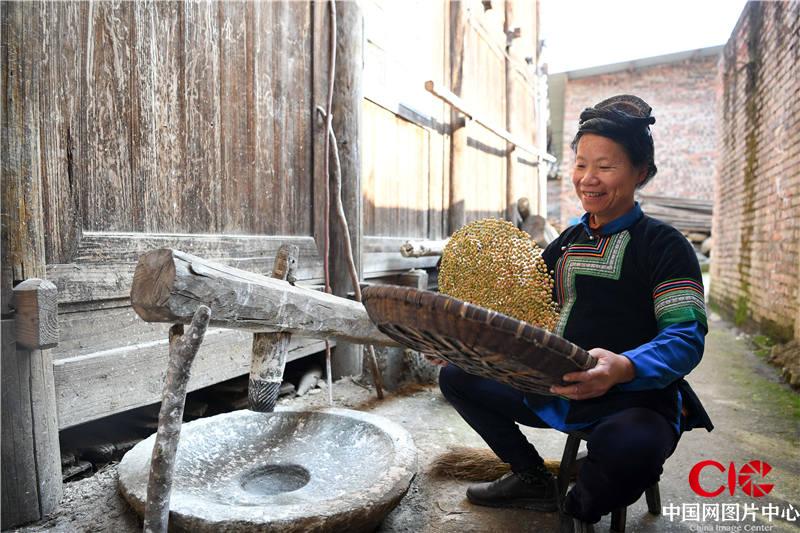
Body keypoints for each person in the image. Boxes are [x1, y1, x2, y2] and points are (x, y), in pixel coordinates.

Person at [437, 94, 713, 529]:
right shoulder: (567, 241)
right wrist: (461, 342)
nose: (589, 178)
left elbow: (685, 336)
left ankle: (578, 504)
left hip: (633, 399)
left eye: (606, 166)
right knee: (456, 376)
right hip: (554, 386)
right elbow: (522, 310)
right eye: (581, 164)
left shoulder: (664, 245)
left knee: (632, 448)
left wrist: (622, 367)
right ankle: (531, 477)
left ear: (641, 172)